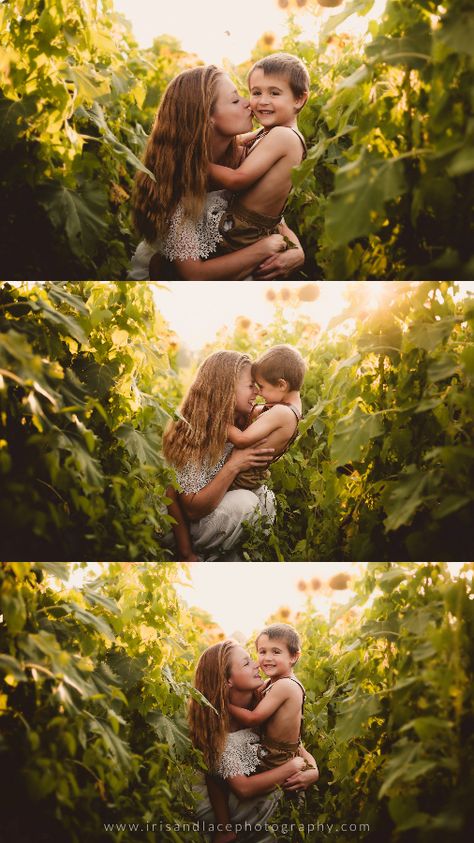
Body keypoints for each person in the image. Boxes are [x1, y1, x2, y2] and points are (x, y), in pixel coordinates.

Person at [129, 65, 305, 281]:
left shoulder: (243, 157)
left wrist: (297, 251)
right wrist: (263, 248)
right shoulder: (179, 189)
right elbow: (195, 277)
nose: (248, 103)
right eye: (234, 100)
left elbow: (270, 215)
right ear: (207, 117)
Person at [189, 639, 319, 843]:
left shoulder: (262, 703)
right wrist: (292, 767)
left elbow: (296, 745)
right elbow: (243, 789)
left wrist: (313, 770)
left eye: (252, 659)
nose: (257, 664)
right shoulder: (220, 732)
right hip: (245, 815)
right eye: (246, 663)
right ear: (227, 681)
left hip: (277, 805)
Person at [162, 351, 276, 562]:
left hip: (210, 511)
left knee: (266, 498)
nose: (257, 393)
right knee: (246, 503)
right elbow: (190, 509)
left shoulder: (237, 422)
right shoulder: (195, 430)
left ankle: (229, 556)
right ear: (225, 388)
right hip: (182, 528)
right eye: (251, 386)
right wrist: (233, 465)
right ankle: (199, 557)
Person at [208, 53, 309, 256]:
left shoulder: (283, 136)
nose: (263, 101)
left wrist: (199, 163)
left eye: (274, 93)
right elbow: (238, 141)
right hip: (249, 226)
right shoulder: (271, 132)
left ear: (299, 99)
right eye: (256, 92)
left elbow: (238, 179)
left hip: (241, 229)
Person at [228, 624, 308, 773]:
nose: (267, 658)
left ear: (294, 657)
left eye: (276, 652)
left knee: (222, 767)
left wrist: (225, 705)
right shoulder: (272, 682)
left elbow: (253, 718)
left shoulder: (285, 685)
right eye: (262, 651)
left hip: (277, 756)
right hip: (271, 750)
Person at [228, 344, 305, 491]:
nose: (259, 392)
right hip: (250, 475)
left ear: (281, 385)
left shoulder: (282, 412)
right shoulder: (292, 410)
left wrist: (218, 422)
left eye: (261, 386)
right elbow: (261, 411)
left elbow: (242, 440)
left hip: (240, 477)